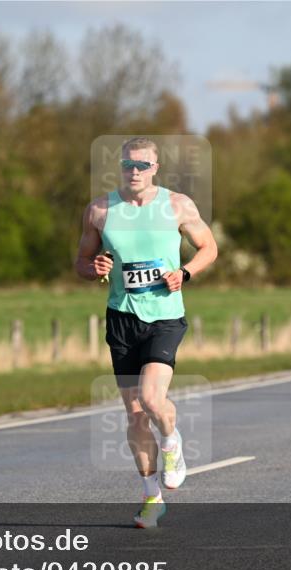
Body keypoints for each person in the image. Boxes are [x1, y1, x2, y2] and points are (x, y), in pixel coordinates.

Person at [75, 137, 217, 528]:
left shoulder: (177, 205)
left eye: (142, 165)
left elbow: (208, 247)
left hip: (165, 317)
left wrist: (185, 273)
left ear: (155, 168)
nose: (134, 172)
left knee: (153, 400)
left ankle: (172, 441)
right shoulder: (100, 211)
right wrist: (95, 269)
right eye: (127, 165)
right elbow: (82, 262)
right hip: (122, 318)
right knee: (135, 416)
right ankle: (152, 499)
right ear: (119, 167)